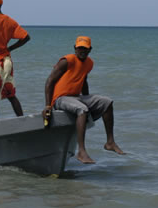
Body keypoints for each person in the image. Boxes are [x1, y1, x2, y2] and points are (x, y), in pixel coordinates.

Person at [42, 36, 123, 164]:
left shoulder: (89, 63)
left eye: (85, 49)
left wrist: (87, 99)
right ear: (75, 48)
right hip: (60, 98)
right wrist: (48, 106)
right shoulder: (67, 61)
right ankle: (81, 151)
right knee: (82, 109)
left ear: (90, 49)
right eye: (79, 48)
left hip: (76, 97)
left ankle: (110, 142)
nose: (82, 51)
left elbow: (83, 81)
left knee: (107, 102)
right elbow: (49, 82)